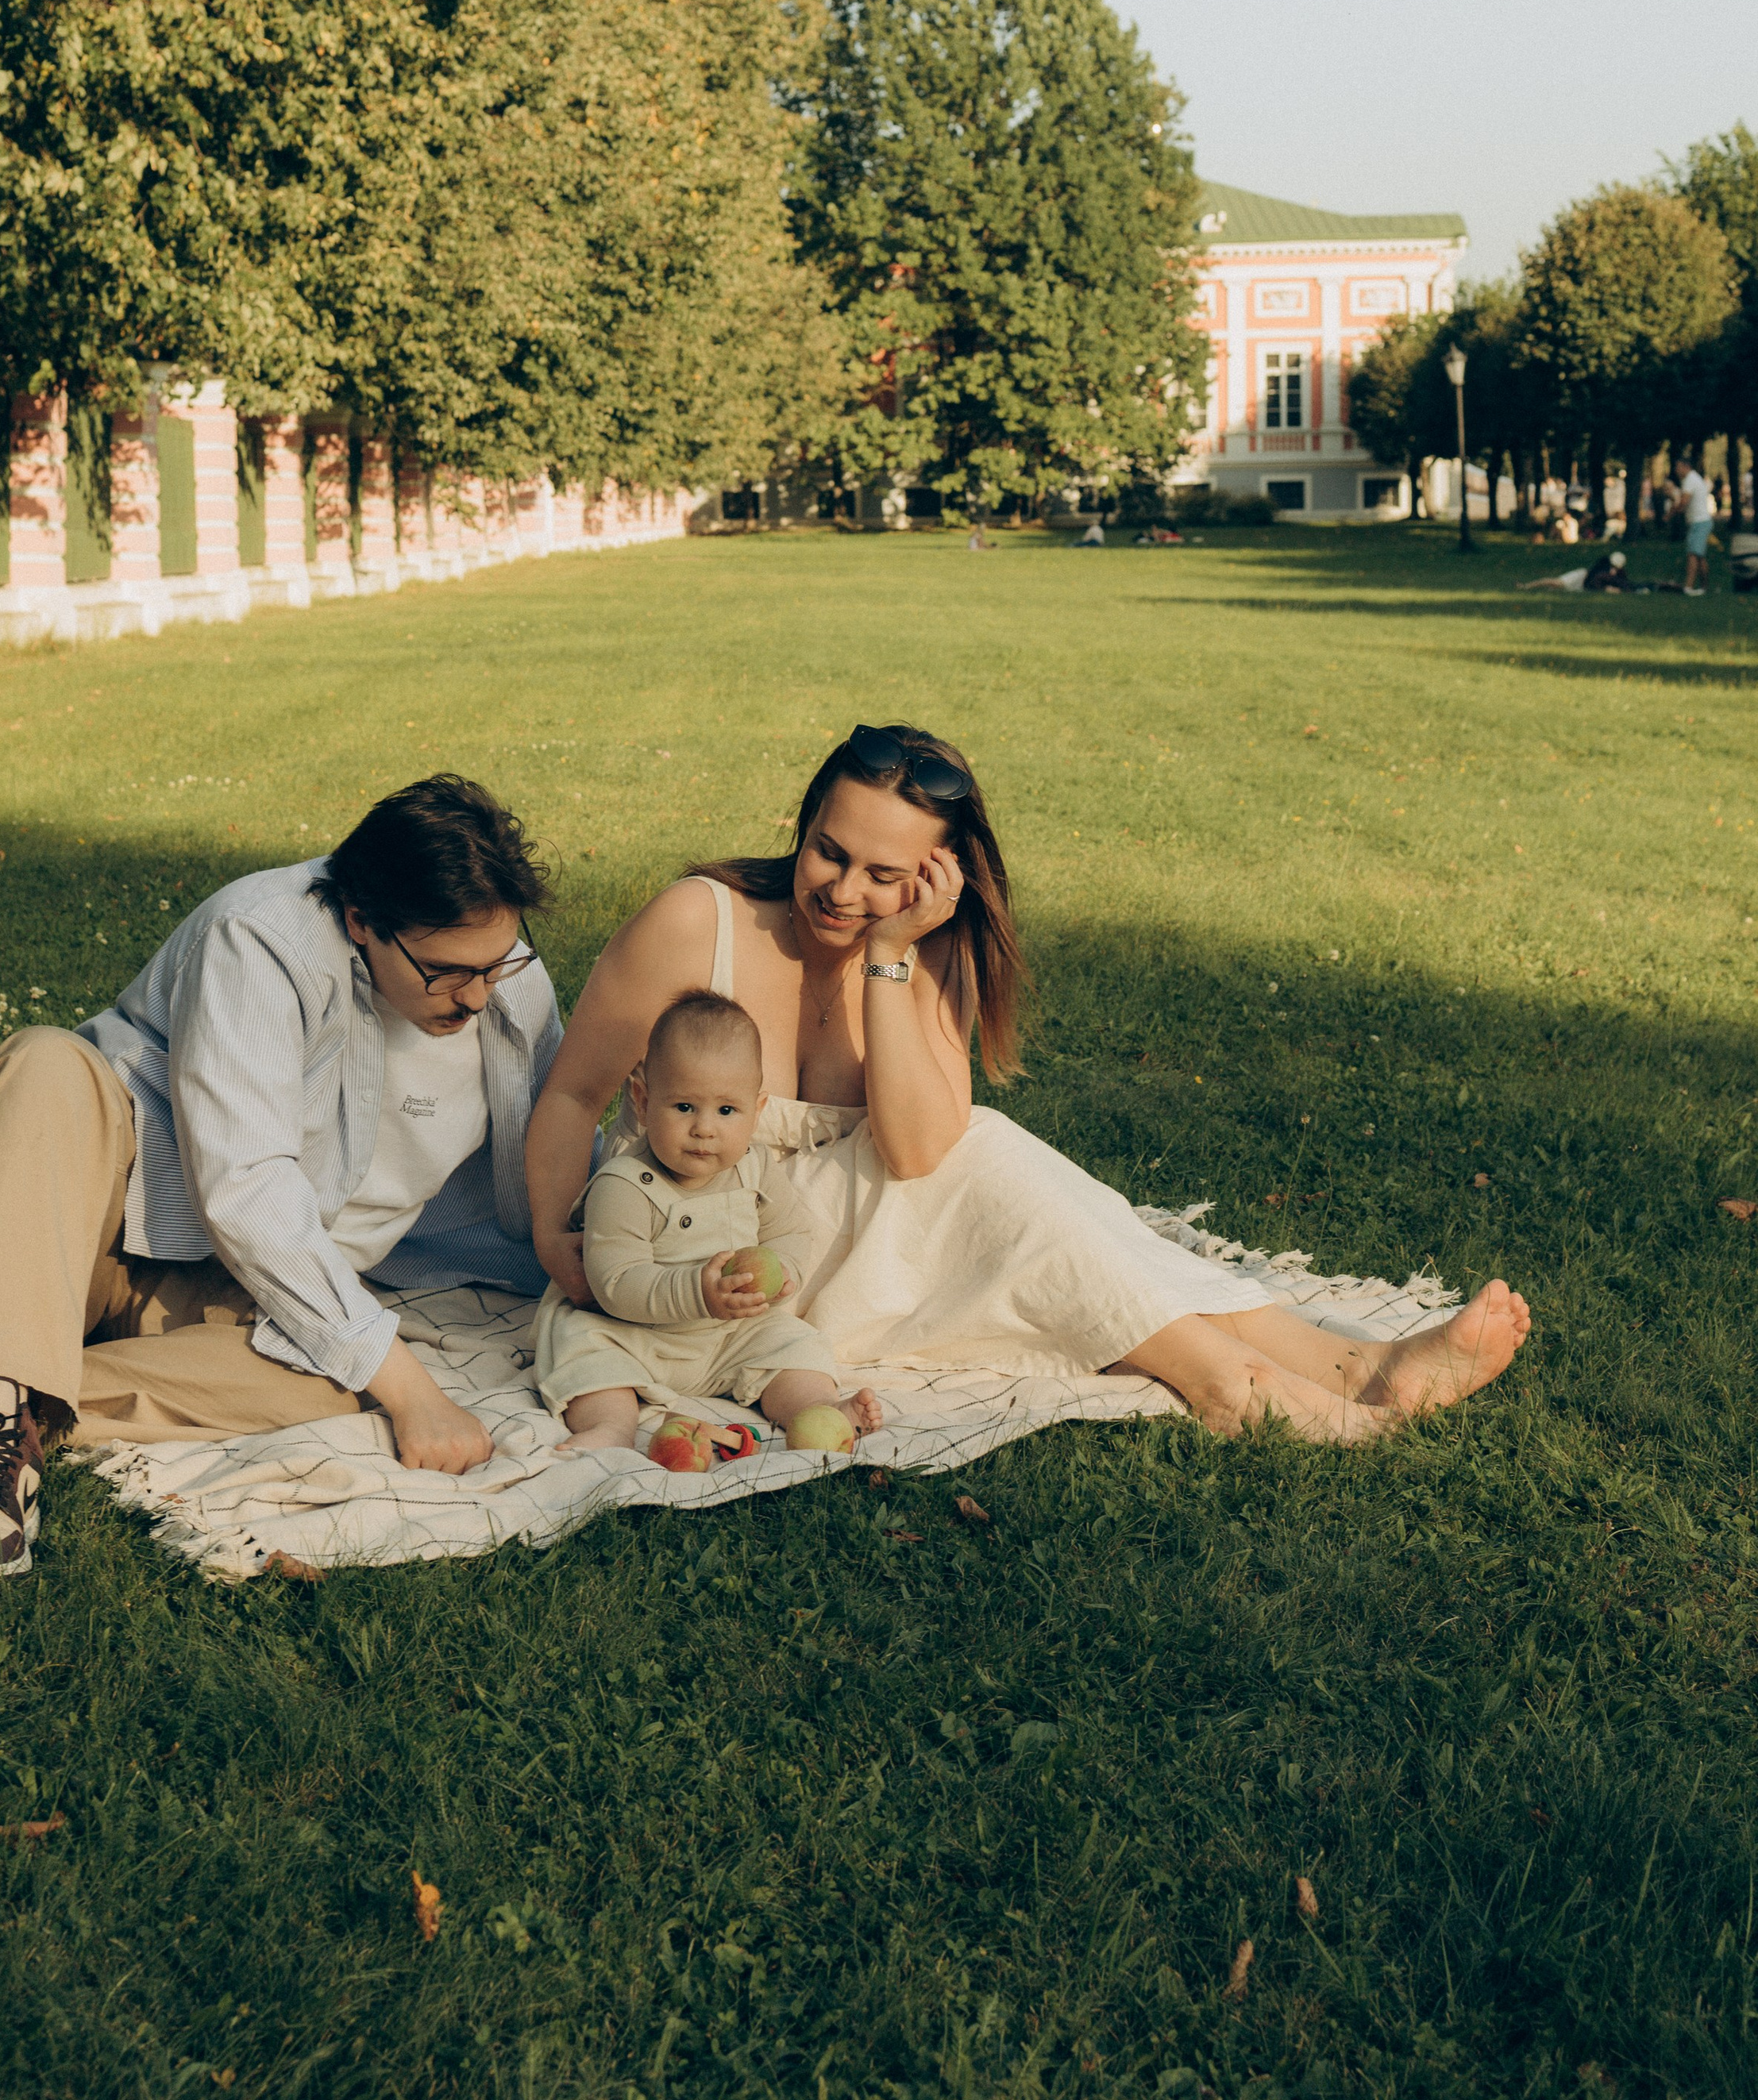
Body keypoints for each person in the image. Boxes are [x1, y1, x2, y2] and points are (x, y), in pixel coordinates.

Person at [526, 722, 1531, 1444]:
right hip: (712, 1253)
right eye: (829, 852)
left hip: (850, 1246)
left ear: (934, 881)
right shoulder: (696, 921)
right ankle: (1236, 1383)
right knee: (1001, 1165)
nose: (842, 890)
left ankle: (1347, 1365)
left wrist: (889, 956)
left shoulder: (917, 953)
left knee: (994, 1165)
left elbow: (919, 1148)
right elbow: (573, 1096)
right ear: (804, 823)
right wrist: (551, 1241)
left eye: (884, 876)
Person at [0, 776, 562, 1585]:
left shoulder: (505, 990)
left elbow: (547, 1156)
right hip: (84, 1226)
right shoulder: (259, 937)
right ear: (361, 921)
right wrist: (418, 1395)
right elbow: (247, 1188)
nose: (480, 994)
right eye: (448, 971)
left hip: (215, 1285)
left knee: (336, 1383)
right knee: (42, 1065)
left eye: (499, 963)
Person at [537, 988, 880, 1456]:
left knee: (793, 1344)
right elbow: (614, 1281)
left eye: (726, 1110)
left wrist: (785, 1273)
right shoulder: (623, 1185)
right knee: (583, 1351)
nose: (704, 1128)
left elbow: (791, 1230)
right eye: (683, 1107)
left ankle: (816, 1409)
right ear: (642, 1100)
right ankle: (611, 1429)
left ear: (756, 1112)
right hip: (636, 1335)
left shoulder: (754, 1168)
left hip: (730, 1336)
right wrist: (697, 1292)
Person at [1675, 458, 1715, 595]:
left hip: (1700, 522)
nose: (1676, 470)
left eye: (1678, 467)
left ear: (1686, 467)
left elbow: (1684, 501)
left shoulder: (1690, 480)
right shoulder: (1694, 478)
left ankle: (1689, 586)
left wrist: (1674, 510)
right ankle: (1704, 587)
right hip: (1701, 521)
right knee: (1699, 555)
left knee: (1693, 554)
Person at [1517, 549, 1633, 593]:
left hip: (1583, 587)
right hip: (1582, 577)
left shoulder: (1619, 573)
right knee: (1556, 582)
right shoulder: (1602, 565)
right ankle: (1527, 586)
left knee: (1556, 589)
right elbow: (1594, 577)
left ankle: (1533, 589)